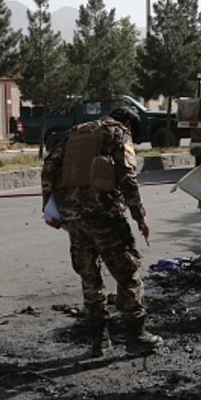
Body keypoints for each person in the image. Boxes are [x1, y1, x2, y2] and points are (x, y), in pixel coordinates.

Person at [41, 106, 162, 357]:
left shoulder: (74, 132)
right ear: (128, 121)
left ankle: (99, 341)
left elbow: (49, 165)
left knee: (90, 277)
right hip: (104, 215)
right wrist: (139, 215)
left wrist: (49, 208)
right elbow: (127, 176)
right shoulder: (118, 133)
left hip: (74, 218)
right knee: (127, 272)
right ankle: (136, 336)